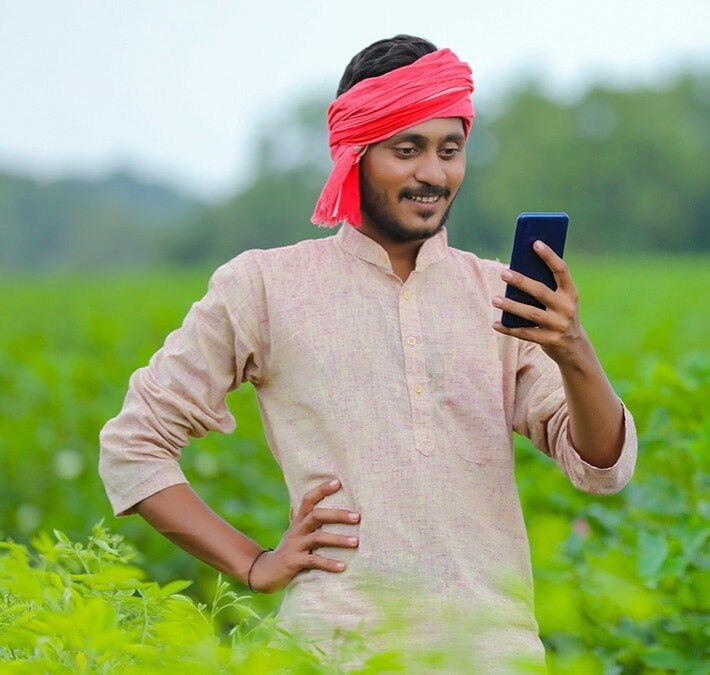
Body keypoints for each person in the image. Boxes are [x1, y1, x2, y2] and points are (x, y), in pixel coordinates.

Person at [97, 34, 637, 672]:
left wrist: (574, 349)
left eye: (450, 150)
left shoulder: (495, 292)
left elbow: (601, 466)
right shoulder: (264, 288)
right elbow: (134, 447)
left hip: (491, 653)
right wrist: (252, 562)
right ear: (353, 152)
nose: (433, 174)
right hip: (333, 653)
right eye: (405, 150)